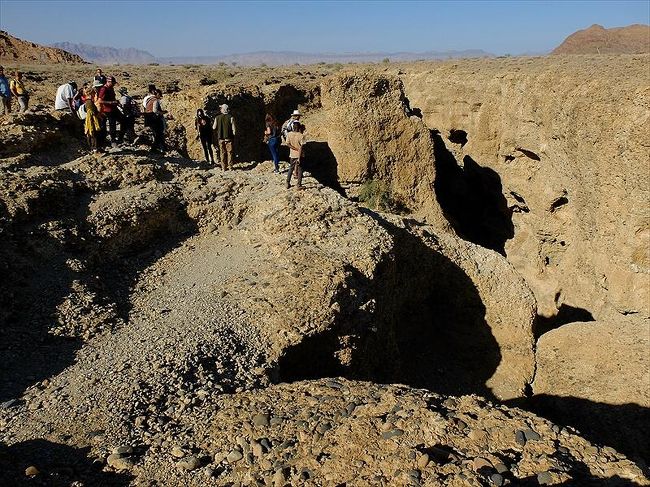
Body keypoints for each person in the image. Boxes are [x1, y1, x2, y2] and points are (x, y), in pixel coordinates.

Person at [97, 76, 122, 147]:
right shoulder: (103, 89)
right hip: (107, 110)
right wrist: (111, 102)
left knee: (123, 120)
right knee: (112, 124)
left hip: (114, 108)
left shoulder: (111, 88)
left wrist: (116, 102)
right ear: (109, 82)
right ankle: (113, 140)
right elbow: (100, 101)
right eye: (113, 83)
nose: (114, 84)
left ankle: (120, 138)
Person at [212, 103, 236, 170]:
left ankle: (223, 167)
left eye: (221, 108)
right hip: (229, 138)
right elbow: (234, 129)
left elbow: (214, 127)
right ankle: (230, 167)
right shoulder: (231, 117)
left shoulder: (217, 118)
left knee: (222, 152)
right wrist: (233, 135)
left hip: (221, 138)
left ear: (222, 109)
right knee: (230, 152)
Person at [144, 89, 167, 153]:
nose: (160, 97)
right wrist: (162, 112)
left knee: (155, 134)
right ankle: (154, 149)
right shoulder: (155, 100)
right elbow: (155, 111)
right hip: (154, 119)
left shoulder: (149, 99)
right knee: (158, 134)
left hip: (148, 118)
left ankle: (158, 148)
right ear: (158, 94)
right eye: (160, 95)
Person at [286, 121, 306, 190]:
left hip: (292, 155)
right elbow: (301, 148)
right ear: (299, 128)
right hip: (299, 156)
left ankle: (287, 183)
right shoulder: (301, 136)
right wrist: (299, 158)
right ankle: (299, 185)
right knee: (300, 170)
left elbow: (288, 144)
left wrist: (294, 148)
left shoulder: (289, 134)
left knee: (291, 168)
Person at [84, 87, 102, 153]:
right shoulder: (89, 102)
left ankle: (92, 148)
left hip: (90, 119)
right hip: (92, 120)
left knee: (90, 133)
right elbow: (93, 112)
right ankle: (94, 148)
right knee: (93, 133)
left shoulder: (87, 101)